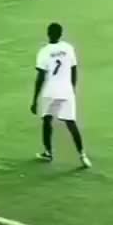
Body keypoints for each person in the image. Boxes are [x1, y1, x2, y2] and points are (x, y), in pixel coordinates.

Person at [31, 22, 91, 168]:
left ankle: (48, 152)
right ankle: (82, 155)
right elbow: (74, 69)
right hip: (66, 91)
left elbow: (40, 77)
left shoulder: (44, 52)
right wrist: (72, 88)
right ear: (61, 34)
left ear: (48, 34)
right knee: (71, 123)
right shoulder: (68, 48)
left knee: (47, 120)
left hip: (50, 91)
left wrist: (34, 99)